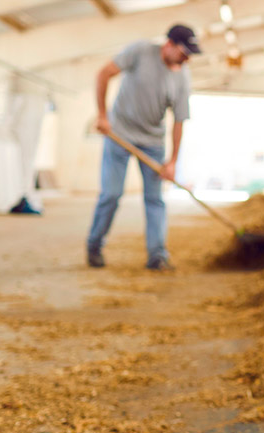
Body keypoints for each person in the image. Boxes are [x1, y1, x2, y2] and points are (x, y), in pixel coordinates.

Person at [86, 23, 199, 270]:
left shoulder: (182, 77)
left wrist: (172, 161)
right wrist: (103, 116)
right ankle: (94, 245)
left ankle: (157, 255)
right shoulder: (140, 52)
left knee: (155, 199)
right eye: (183, 53)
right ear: (169, 44)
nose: (186, 59)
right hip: (120, 134)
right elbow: (103, 73)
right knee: (111, 194)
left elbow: (179, 121)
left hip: (153, 143)